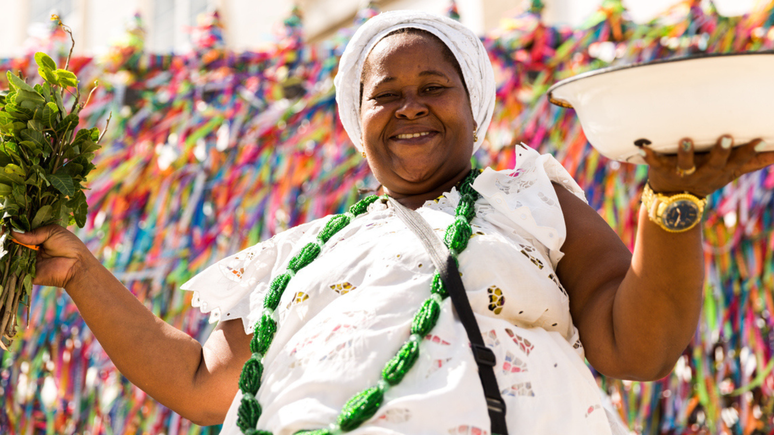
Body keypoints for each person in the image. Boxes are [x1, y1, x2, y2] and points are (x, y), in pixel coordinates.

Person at [11, 10, 773, 435]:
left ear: (475, 112)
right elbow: (195, 379)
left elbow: (637, 344)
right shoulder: (304, 252)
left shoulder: (529, 198)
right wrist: (80, 271)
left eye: (435, 85)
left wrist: (672, 210)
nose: (410, 103)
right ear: (357, 120)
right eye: (387, 93)